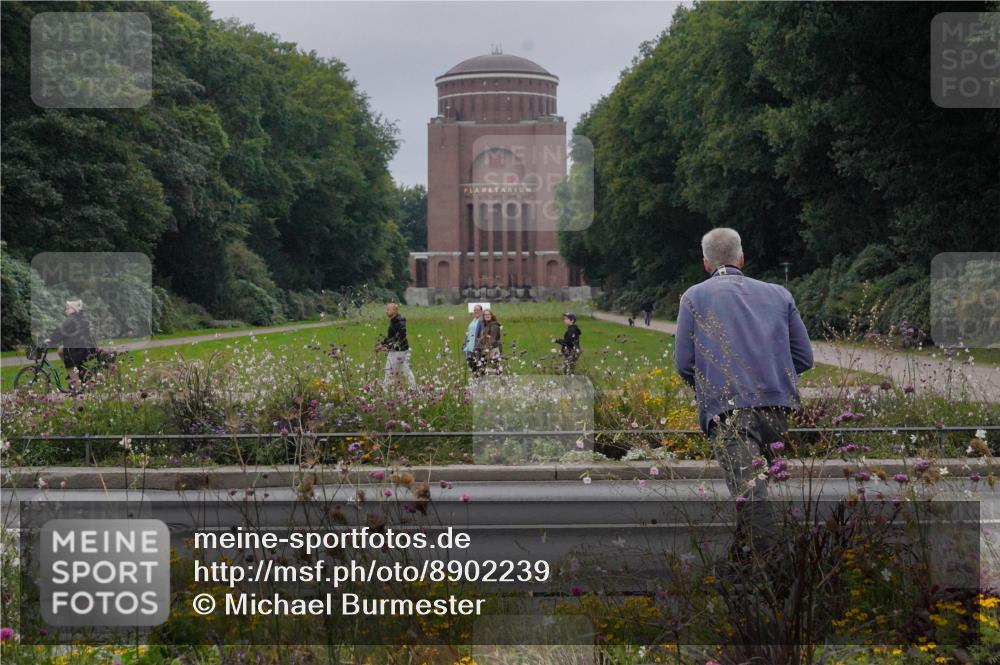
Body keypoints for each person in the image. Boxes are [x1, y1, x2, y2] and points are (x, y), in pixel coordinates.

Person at [674, 228, 813, 559]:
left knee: (751, 496)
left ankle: (778, 574)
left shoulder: (694, 297)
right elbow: (804, 357)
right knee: (752, 492)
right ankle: (737, 575)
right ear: (742, 258)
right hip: (778, 411)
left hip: (729, 412)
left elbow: (684, 363)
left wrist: (711, 388)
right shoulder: (779, 294)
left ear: (706, 263)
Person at [47, 299, 97, 391]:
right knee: (60, 350)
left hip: (76, 350)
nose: (65, 310)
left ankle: (77, 389)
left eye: (67, 308)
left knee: (69, 365)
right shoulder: (82, 318)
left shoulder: (71, 320)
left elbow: (60, 331)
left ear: (73, 309)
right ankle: (79, 374)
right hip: (88, 348)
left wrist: (51, 340)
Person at [377, 303, 416, 391]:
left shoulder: (400, 322)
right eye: (386, 309)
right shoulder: (393, 321)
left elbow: (399, 338)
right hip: (399, 350)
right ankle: (413, 389)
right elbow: (391, 337)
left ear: (394, 310)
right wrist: (383, 344)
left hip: (398, 351)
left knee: (389, 370)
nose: (386, 311)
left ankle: (385, 391)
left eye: (388, 309)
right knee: (405, 370)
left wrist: (386, 346)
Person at [479, 309, 502, 375]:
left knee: (496, 369)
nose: (487, 316)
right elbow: (484, 338)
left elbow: (493, 339)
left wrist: (486, 349)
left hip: (493, 349)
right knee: (487, 369)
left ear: (491, 316)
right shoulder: (486, 326)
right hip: (487, 349)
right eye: (485, 315)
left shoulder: (494, 326)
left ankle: (503, 383)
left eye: (488, 314)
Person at [463, 304, 484, 374]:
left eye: (478, 310)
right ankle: (474, 379)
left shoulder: (481, 321)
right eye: (475, 310)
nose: (476, 311)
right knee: (470, 364)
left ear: (481, 311)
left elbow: (482, 333)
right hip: (469, 345)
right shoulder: (473, 320)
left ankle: (478, 380)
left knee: (477, 364)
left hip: (476, 346)